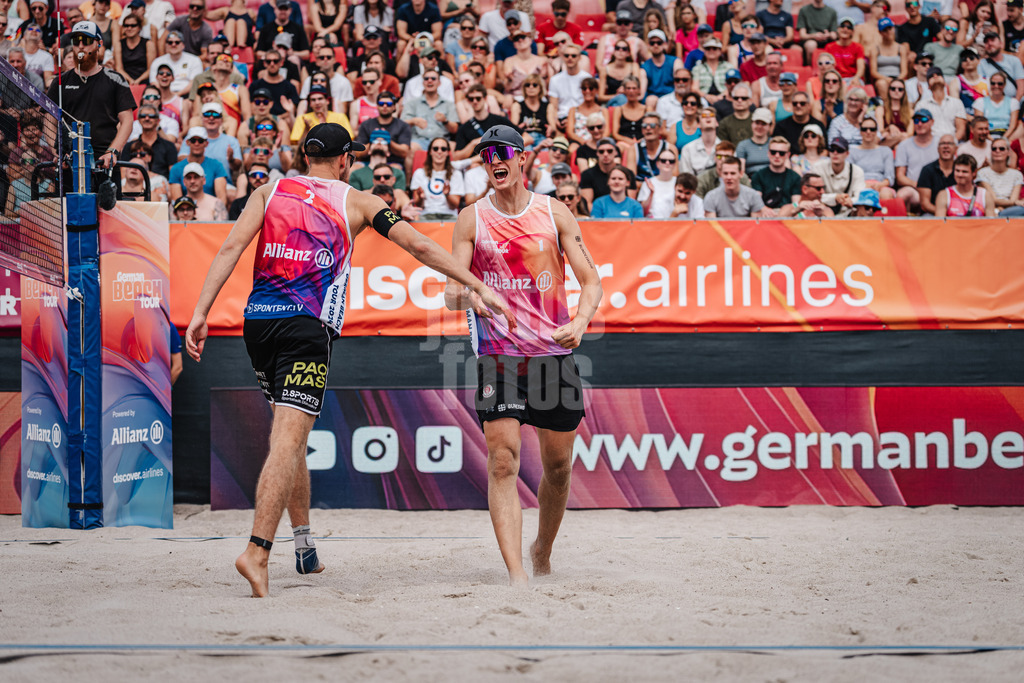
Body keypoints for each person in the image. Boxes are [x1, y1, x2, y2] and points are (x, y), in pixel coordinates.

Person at [186, 123, 514, 597]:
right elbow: (419, 245)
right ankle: (257, 553)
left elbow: (231, 248)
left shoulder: (268, 190)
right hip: (305, 329)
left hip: (256, 325)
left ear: (305, 156)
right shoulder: (358, 201)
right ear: (345, 161)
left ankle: (303, 546)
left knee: (289, 434)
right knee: (286, 440)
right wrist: (477, 283)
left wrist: (200, 313)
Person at [442, 124, 601, 587]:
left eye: (501, 152)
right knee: (503, 462)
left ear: (521, 157)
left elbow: (591, 281)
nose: (494, 159)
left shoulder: (554, 213)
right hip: (499, 355)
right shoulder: (472, 218)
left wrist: (580, 323)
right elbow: (451, 292)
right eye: (486, 154)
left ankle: (541, 550)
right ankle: (516, 575)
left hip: (553, 354)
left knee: (557, 467)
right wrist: (470, 295)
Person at [47, 21, 136, 168]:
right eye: (76, 41)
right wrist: (57, 152)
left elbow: (127, 121)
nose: (81, 46)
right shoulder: (60, 81)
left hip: (104, 160)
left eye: (87, 41)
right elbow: (49, 119)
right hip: (69, 159)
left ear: (99, 43)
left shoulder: (116, 79)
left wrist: (113, 151)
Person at [895, 109, 940, 211]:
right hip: (915, 189)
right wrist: (919, 185)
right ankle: (902, 226)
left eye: (924, 120)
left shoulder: (940, 143)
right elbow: (900, 177)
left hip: (936, 190)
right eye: (916, 121)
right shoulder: (904, 145)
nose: (919, 124)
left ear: (932, 122)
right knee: (902, 194)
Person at [409, 137, 464, 220]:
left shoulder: (456, 174)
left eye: (443, 149)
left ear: (448, 153)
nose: (439, 152)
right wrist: (420, 197)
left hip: (449, 216)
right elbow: (419, 205)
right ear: (430, 152)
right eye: (435, 149)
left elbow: (454, 206)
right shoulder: (419, 173)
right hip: (426, 215)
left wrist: (447, 194)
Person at [704, 156, 771, 217]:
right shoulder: (711, 197)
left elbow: (756, 225)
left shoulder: (753, 195)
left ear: (741, 174)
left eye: (733, 173)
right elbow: (712, 226)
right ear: (721, 174)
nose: (729, 177)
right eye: (725, 173)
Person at [813, 136, 866, 214]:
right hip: (822, 211)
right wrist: (835, 198)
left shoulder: (857, 171)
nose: (835, 153)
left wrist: (849, 201)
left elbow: (860, 197)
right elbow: (812, 196)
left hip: (848, 212)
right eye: (832, 150)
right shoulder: (818, 167)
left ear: (847, 153)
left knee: (862, 209)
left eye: (839, 150)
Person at [850, 117, 896, 199]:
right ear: (860, 131)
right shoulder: (852, 151)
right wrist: (864, 185)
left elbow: (890, 177)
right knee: (860, 192)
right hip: (860, 185)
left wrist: (880, 185)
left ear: (876, 131)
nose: (868, 132)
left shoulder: (886, 151)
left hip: (881, 185)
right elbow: (850, 176)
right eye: (864, 129)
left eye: (872, 129)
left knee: (885, 194)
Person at [976, 138, 1024, 216]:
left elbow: (1013, 199)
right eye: (994, 149)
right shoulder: (982, 173)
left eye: (1001, 149)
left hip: (1012, 211)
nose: (997, 151)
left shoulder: (1017, 175)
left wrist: (1004, 207)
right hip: (990, 209)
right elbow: (991, 199)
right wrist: (1014, 203)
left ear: (1008, 152)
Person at [751, 137, 802, 209]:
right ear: (768, 153)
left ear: (788, 155)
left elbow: (796, 204)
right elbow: (757, 201)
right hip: (765, 214)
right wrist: (764, 209)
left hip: (788, 215)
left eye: (781, 153)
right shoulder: (758, 175)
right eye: (773, 152)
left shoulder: (795, 177)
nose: (777, 156)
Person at [917, 133, 959, 214]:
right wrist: (944, 215)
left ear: (956, 149)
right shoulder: (927, 170)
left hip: (958, 214)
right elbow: (925, 204)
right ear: (938, 149)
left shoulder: (961, 171)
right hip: (932, 213)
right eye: (942, 143)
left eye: (950, 143)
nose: (946, 146)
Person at [637, 148, 678, 217]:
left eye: (671, 161)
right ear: (657, 163)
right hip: (653, 224)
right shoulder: (648, 183)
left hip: (674, 223)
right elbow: (642, 212)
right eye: (663, 160)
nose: (667, 163)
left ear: (674, 164)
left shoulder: (679, 182)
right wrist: (651, 193)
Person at [679, 107, 721, 175]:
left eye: (711, 115)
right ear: (698, 124)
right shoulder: (688, 149)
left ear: (717, 123)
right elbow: (686, 177)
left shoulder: (726, 148)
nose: (708, 117)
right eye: (704, 116)